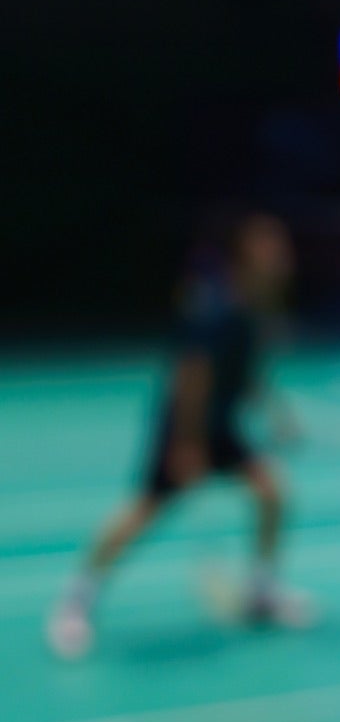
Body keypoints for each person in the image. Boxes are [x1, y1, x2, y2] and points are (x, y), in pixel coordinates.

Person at [46, 208, 308, 660]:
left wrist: (278, 415)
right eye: (269, 245)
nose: (280, 254)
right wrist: (187, 444)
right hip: (186, 424)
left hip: (221, 425)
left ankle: (261, 594)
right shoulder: (215, 306)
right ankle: (75, 602)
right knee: (143, 512)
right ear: (244, 254)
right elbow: (192, 377)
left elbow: (249, 370)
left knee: (272, 493)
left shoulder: (257, 306)